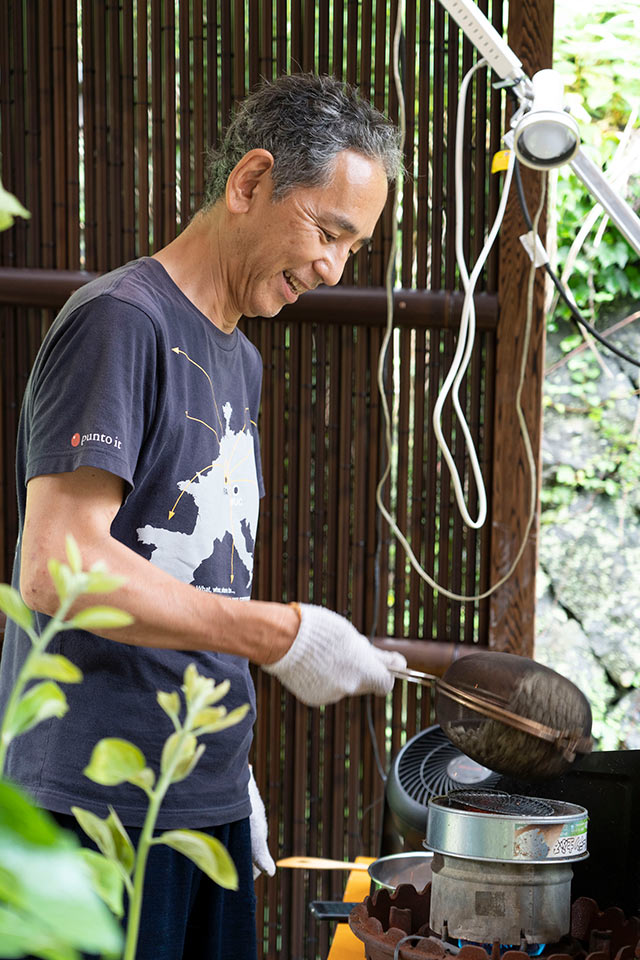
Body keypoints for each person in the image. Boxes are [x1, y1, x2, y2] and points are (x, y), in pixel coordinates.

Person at [0, 72, 406, 959]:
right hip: (95, 812)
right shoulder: (120, 321)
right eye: (329, 232)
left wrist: (232, 759)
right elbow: (58, 567)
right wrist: (279, 635)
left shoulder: (239, 360)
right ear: (250, 181)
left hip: (198, 796)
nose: (334, 267)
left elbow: (189, 574)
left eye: (355, 248)